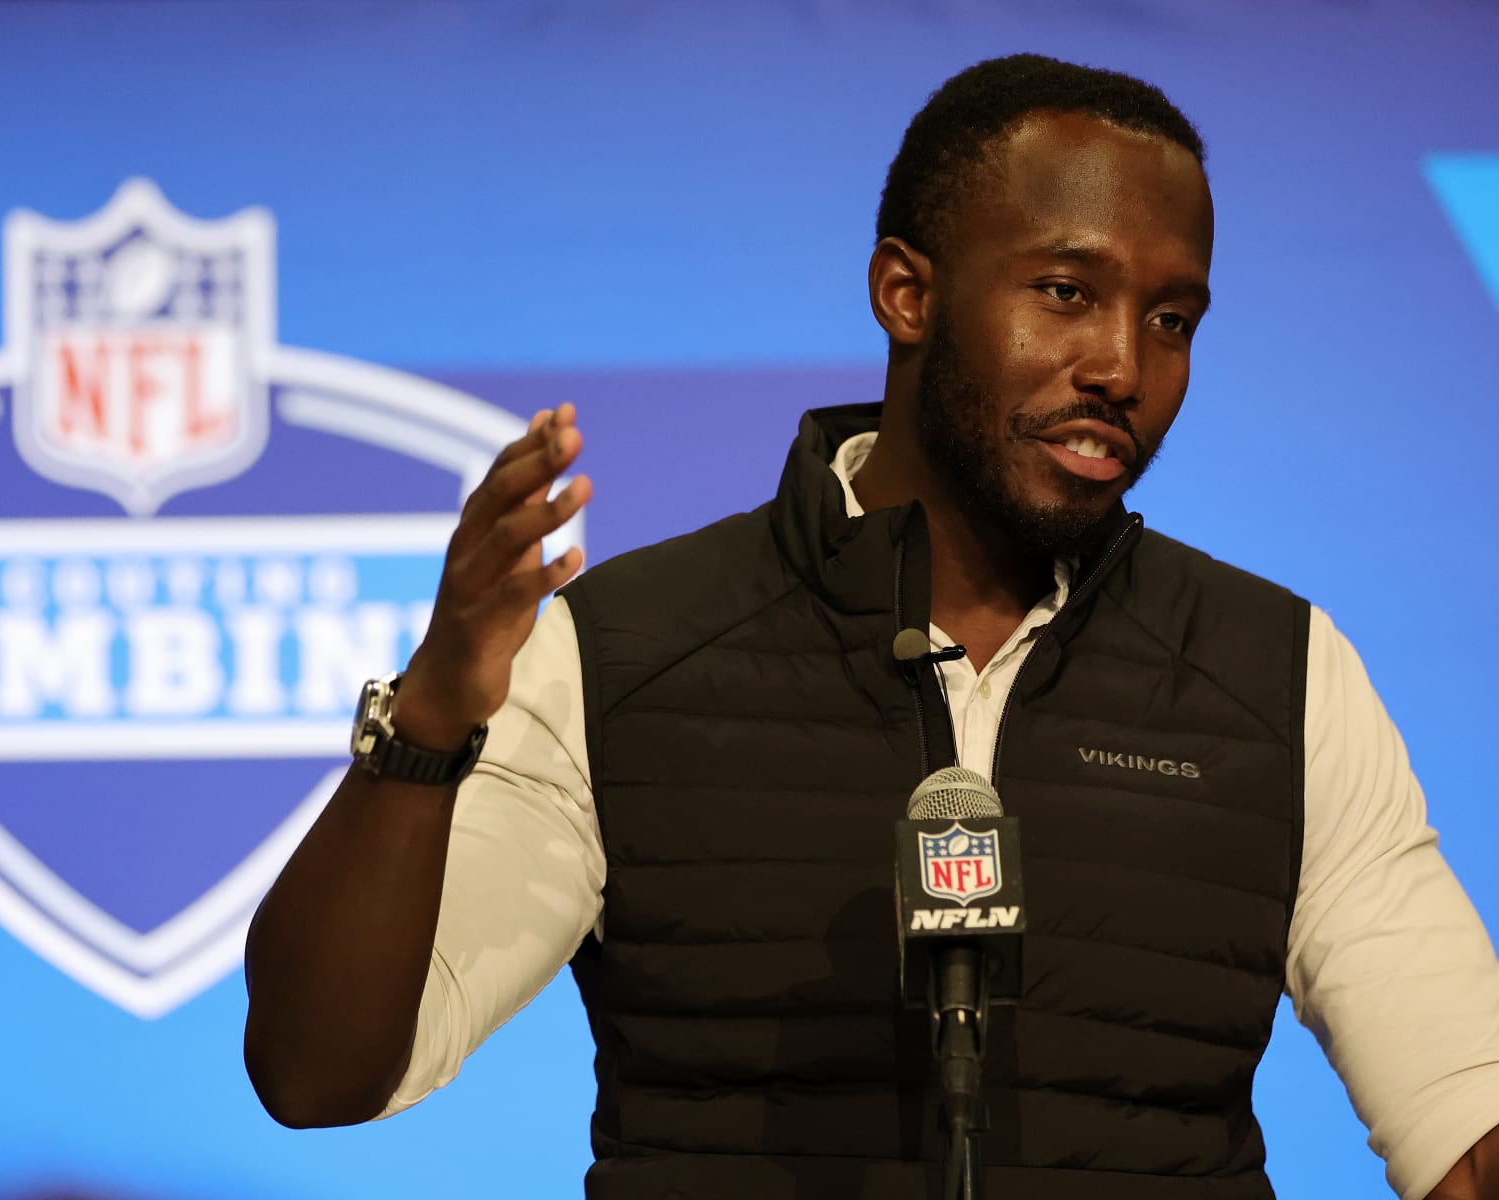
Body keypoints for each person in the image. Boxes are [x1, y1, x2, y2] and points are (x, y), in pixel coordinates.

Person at [242, 54, 1499, 1199]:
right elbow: (320, 1072)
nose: (1123, 365)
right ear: (907, 293)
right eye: (1067, 292)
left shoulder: (1276, 676)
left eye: (1172, 321)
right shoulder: (622, 655)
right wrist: (429, 724)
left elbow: (1465, 1127)